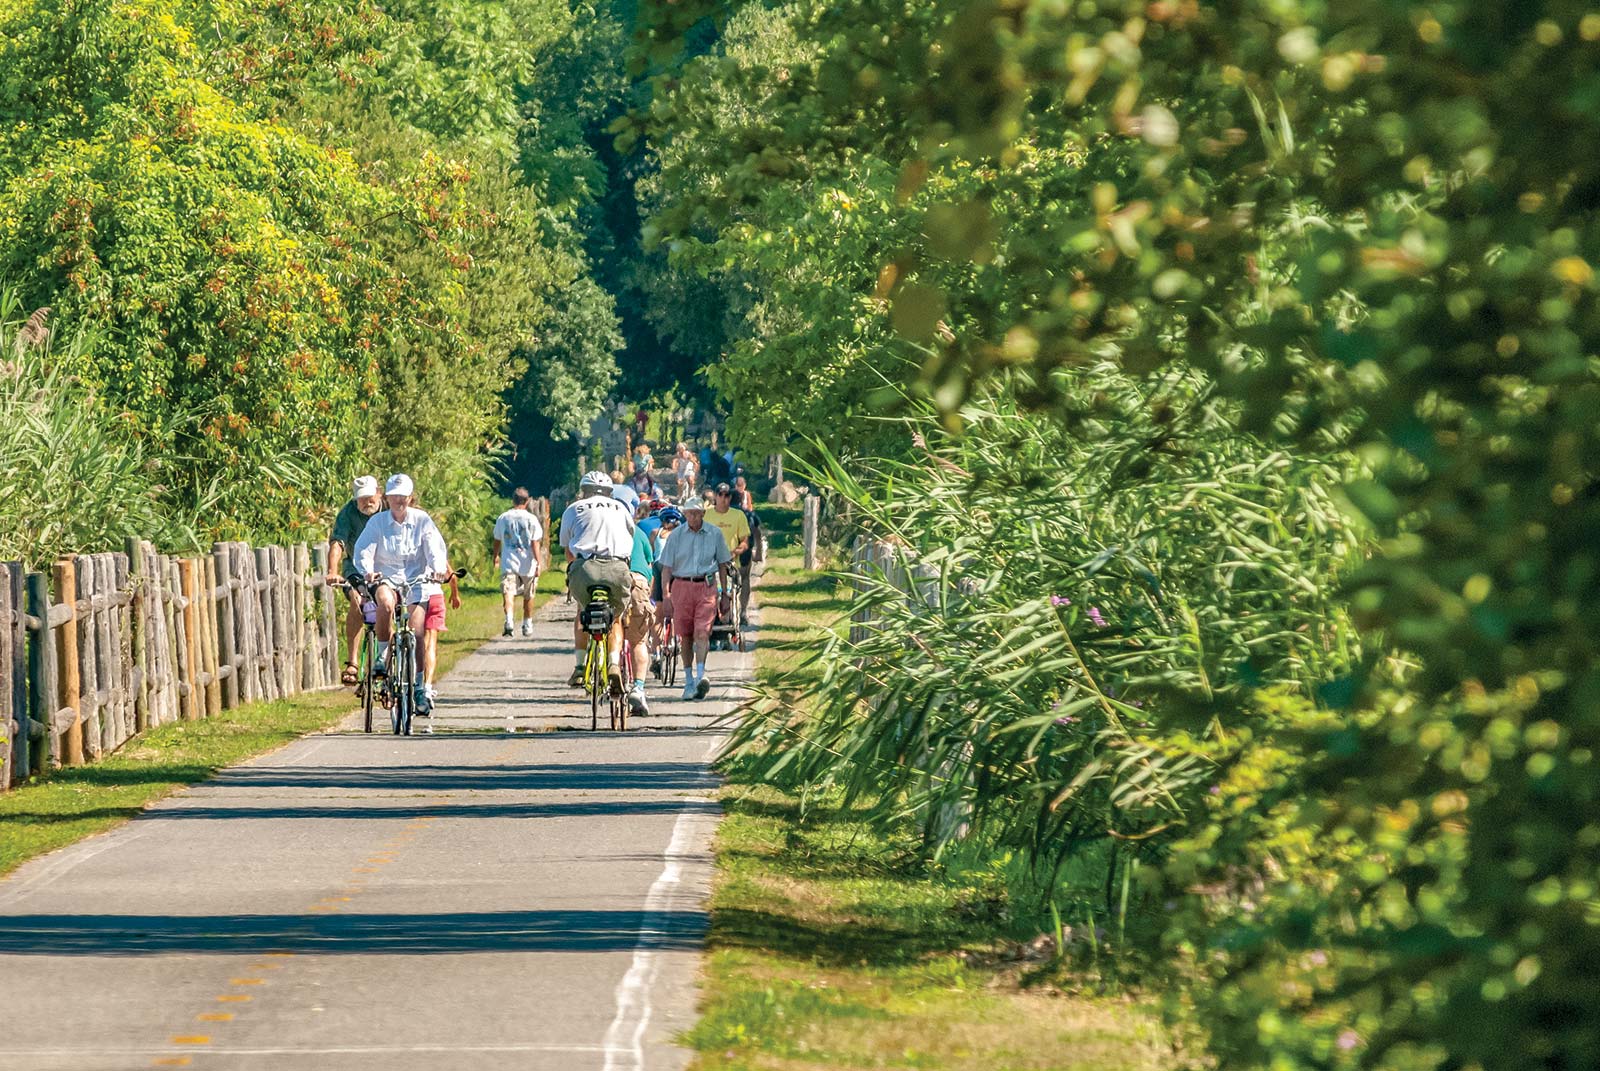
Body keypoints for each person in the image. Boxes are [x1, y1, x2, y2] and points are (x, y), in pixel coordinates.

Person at [352, 474, 450, 711]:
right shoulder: (378, 523)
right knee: (384, 603)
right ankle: (382, 657)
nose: (399, 501)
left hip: (416, 580)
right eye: (394, 496)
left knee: (416, 632)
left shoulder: (422, 520)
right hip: (386, 578)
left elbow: (435, 547)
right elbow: (363, 549)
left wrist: (437, 570)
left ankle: (417, 687)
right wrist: (368, 571)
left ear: (410, 498)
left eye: (403, 496)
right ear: (387, 498)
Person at [560, 470, 636, 691]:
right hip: (617, 567)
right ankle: (613, 663)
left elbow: (567, 550)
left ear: (584, 491)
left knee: (583, 611)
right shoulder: (620, 509)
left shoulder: (573, 509)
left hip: (585, 568)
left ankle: (580, 667)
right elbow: (629, 537)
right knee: (614, 618)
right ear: (609, 491)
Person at [657, 496, 732, 700]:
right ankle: (688, 681)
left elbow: (723, 565)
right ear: (684, 514)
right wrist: (666, 595)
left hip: (706, 586)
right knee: (686, 636)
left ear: (703, 514)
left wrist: (725, 594)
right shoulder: (676, 536)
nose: (693, 517)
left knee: (702, 632)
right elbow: (667, 568)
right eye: (689, 513)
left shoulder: (714, 534)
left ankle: (701, 676)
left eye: (697, 513)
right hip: (681, 585)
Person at [326, 475, 382, 685]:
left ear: (379, 493)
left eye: (370, 497)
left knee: (389, 606)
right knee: (357, 602)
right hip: (355, 569)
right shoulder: (348, 513)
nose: (367, 502)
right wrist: (332, 570)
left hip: (385, 568)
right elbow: (338, 543)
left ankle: (387, 660)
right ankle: (353, 662)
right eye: (362, 499)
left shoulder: (389, 509)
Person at [493, 488, 544, 637]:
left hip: (509, 562)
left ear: (513, 500)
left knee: (508, 592)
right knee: (529, 595)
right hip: (528, 564)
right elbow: (535, 543)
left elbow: (497, 539)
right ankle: (527, 623)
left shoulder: (503, 518)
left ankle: (509, 620)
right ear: (527, 501)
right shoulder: (531, 519)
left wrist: (495, 556)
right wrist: (538, 562)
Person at [622, 517, 657, 716]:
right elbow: (649, 565)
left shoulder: (606, 529)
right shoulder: (639, 533)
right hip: (638, 581)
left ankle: (610, 667)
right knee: (638, 641)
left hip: (613, 582)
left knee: (612, 632)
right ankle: (638, 687)